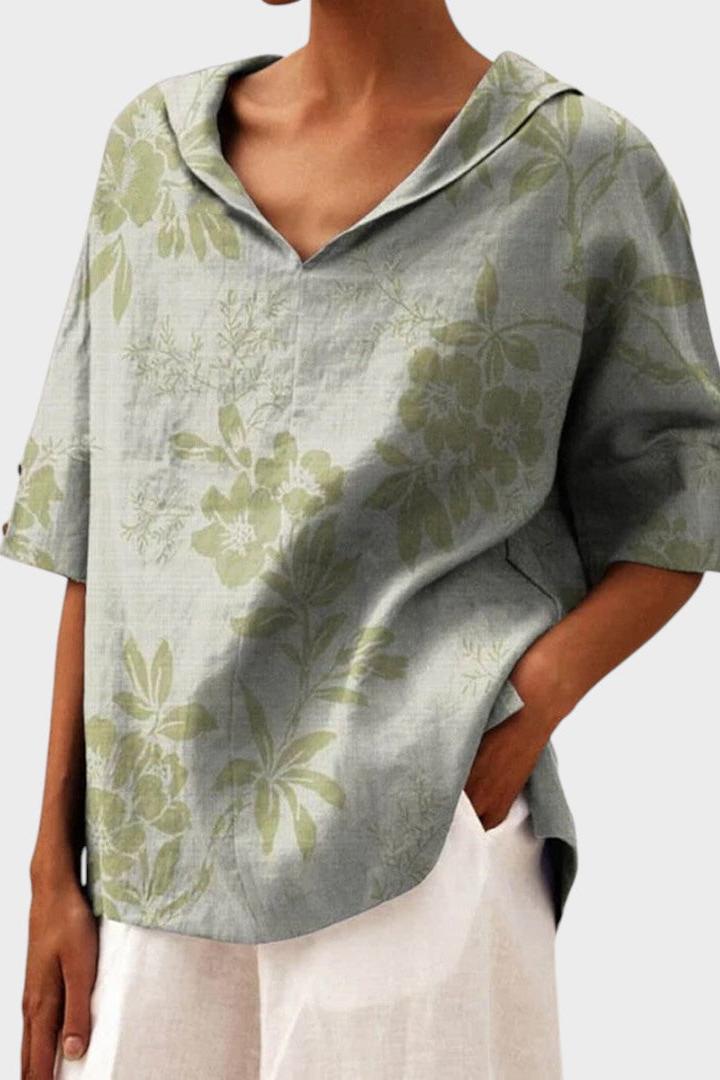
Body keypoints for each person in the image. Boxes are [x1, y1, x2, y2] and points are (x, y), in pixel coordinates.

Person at [4, 2, 720, 1078]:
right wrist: (51, 869)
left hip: (422, 834)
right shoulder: (154, 156)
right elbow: (98, 529)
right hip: (152, 860)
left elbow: (681, 491)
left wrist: (534, 698)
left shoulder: (578, 167)